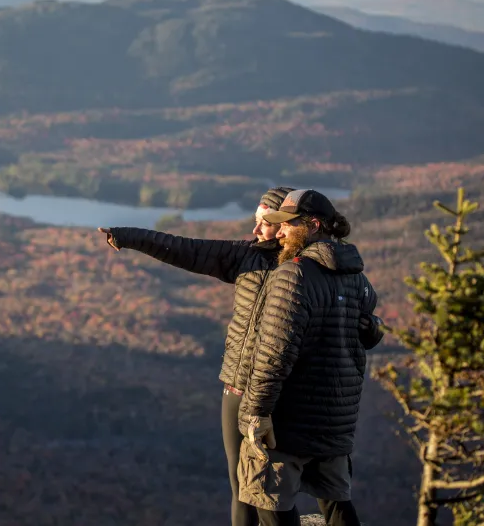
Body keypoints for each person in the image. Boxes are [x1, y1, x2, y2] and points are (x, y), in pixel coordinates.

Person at [97, 187, 383, 526]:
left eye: (268, 222)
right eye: (260, 222)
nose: (260, 230)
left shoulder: (307, 271)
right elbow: (186, 250)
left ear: (297, 224)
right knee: (251, 487)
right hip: (254, 389)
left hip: (278, 394)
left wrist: (371, 328)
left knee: (269, 488)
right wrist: (127, 236)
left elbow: (351, 325)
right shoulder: (251, 257)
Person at [237, 189, 378, 526]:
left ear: (313, 225)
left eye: (288, 224)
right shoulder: (357, 279)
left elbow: (274, 353)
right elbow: (367, 333)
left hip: (290, 420)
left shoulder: (293, 274)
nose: (280, 232)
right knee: (337, 505)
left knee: (270, 503)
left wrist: (258, 413)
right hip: (335, 421)